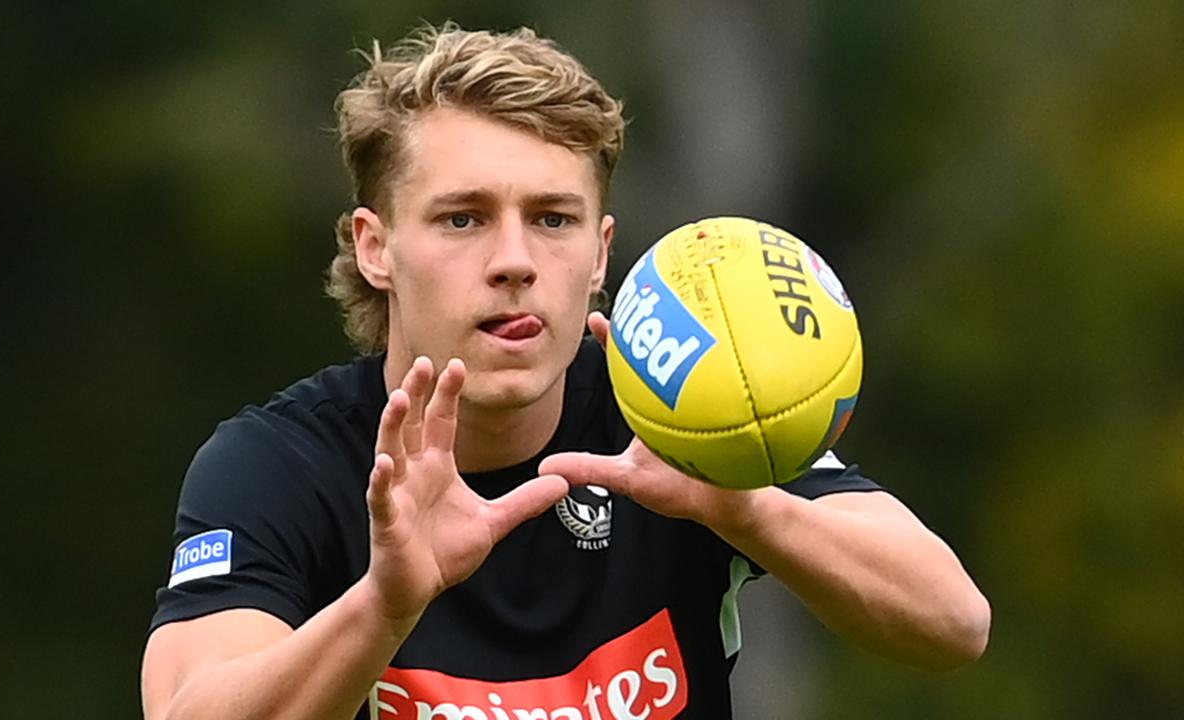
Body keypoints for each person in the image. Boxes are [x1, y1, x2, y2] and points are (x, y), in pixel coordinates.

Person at [140, 23, 990, 720]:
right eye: (463, 218)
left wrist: (733, 501)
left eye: (552, 218)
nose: (514, 260)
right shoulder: (280, 466)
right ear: (376, 248)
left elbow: (951, 623)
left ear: (600, 254)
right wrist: (385, 606)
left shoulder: (678, 419)